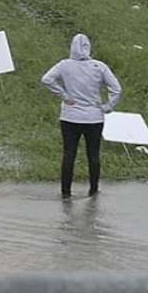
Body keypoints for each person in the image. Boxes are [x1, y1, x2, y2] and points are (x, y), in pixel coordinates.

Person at [42, 33, 123, 197]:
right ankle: (93, 191)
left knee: (69, 154)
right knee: (93, 154)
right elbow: (116, 89)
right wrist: (108, 107)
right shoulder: (99, 66)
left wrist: (64, 96)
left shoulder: (64, 65)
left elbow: (47, 79)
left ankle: (66, 193)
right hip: (94, 117)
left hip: (70, 117)